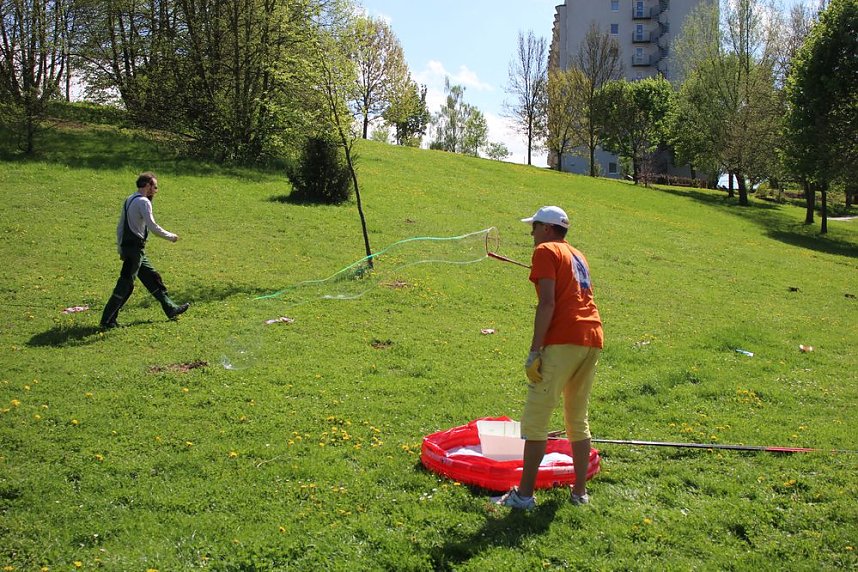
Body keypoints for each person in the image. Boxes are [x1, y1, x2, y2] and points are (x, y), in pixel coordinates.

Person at [493, 206, 603, 510]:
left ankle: (524, 496)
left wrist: (535, 351)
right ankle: (579, 494)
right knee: (577, 418)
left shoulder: (544, 251)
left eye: (534, 226)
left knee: (537, 419)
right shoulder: (577, 254)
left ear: (547, 229)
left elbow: (548, 304)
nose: (531, 232)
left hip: (564, 339)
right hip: (592, 336)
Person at [100, 172, 189, 328]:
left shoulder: (129, 199)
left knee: (152, 278)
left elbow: (120, 227)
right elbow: (153, 227)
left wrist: (121, 248)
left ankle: (171, 308)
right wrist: (171, 237)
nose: (156, 190)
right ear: (147, 185)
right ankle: (107, 320)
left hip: (133, 250)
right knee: (125, 284)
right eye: (155, 187)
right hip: (135, 250)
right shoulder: (143, 202)